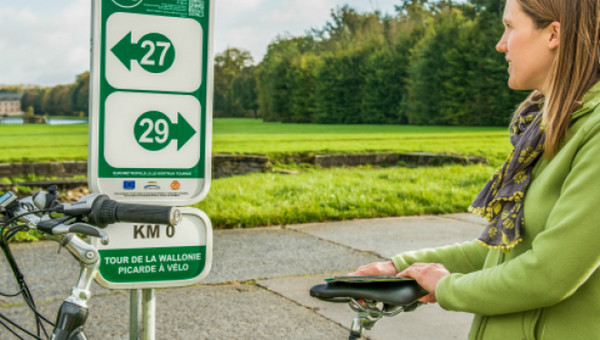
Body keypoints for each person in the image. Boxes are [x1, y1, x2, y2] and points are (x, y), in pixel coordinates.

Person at [350, 0, 600, 339]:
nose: (500, 43)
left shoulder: (594, 134)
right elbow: (507, 251)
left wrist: (446, 288)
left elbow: (550, 273)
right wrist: (401, 267)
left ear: (554, 33)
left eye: (510, 27)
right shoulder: (545, 130)